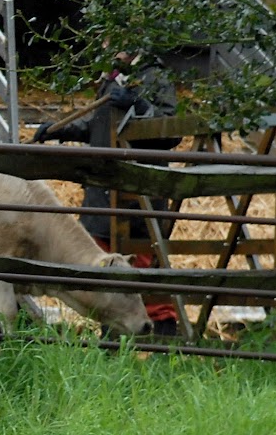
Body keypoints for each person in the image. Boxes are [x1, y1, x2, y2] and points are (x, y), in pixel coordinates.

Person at [32, 49, 181, 334]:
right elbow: (97, 126)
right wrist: (59, 131)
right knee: (102, 267)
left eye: (115, 38)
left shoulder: (154, 76)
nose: (108, 44)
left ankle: (164, 340)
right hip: (102, 192)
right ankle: (113, 338)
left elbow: (171, 131)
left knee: (143, 272)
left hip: (138, 196)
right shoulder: (111, 77)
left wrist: (137, 104)